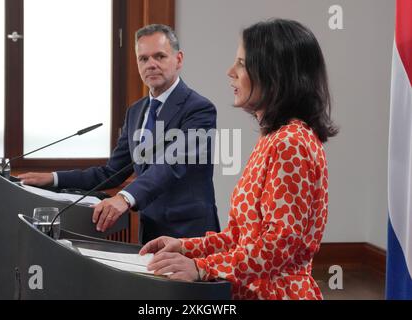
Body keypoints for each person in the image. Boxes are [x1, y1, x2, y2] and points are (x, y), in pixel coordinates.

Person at [139, 19, 338, 300]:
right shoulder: (273, 138)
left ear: (274, 73)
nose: (230, 72)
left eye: (242, 64)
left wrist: (201, 267)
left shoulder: (291, 143)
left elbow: (278, 246)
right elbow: (239, 237)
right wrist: (185, 247)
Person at [19, 24, 220, 243]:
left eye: (160, 56)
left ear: (178, 59)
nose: (151, 64)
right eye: (143, 59)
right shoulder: (136, 112)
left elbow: (172, 164)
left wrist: (124, 198)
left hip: (190, 232)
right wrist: (54, 178)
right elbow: (111, 172)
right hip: (151, 232)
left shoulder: (199, 109)